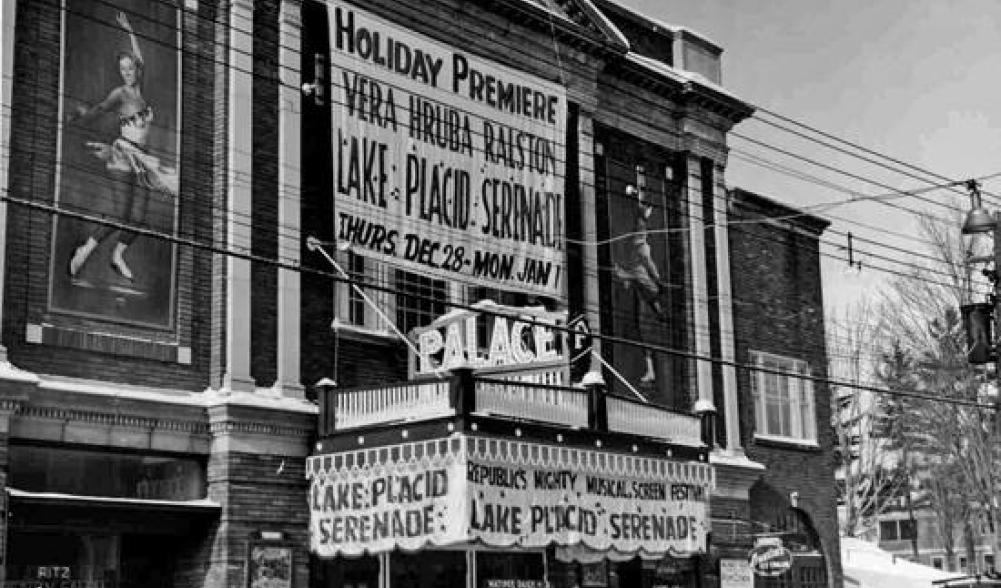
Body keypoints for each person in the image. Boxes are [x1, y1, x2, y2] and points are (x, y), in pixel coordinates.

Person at [66, 11, 177, 282]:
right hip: (122, 154)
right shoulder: (120, 94)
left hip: (141, 157)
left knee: (139, 218)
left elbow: (140, 56)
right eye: (123, 69)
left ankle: (117, 255)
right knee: (120, 214)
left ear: (138, 70)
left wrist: (130, 32)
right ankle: (86, 249)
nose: (127, 73)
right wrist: (82, 116)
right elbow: (101, 109)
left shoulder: (142, 89)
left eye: (131, 68)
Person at [613, 184, 668, 383]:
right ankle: (650, 370)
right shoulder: (637, 239)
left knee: (646, 333)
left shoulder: (641, 249)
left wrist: (657, 284)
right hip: (642, 295)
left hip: (647, 302)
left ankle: (652, 371)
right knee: (642, 332)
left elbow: (646, 268)